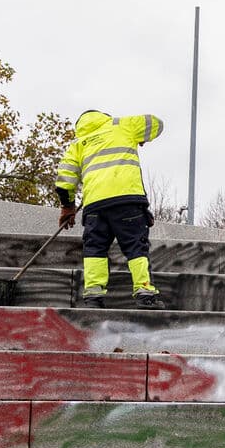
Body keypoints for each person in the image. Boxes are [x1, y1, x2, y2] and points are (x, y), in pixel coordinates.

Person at [55, 109, 165, 308]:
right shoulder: (124, 125)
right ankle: (144, 292)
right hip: (127, 201)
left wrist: (68, 208)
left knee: (94, 249)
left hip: (95, 206)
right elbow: (156, 123)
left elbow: (64, 182)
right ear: (105, 117)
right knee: (135, 247)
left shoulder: (78, 143)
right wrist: (143, 137)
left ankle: (93, 298)